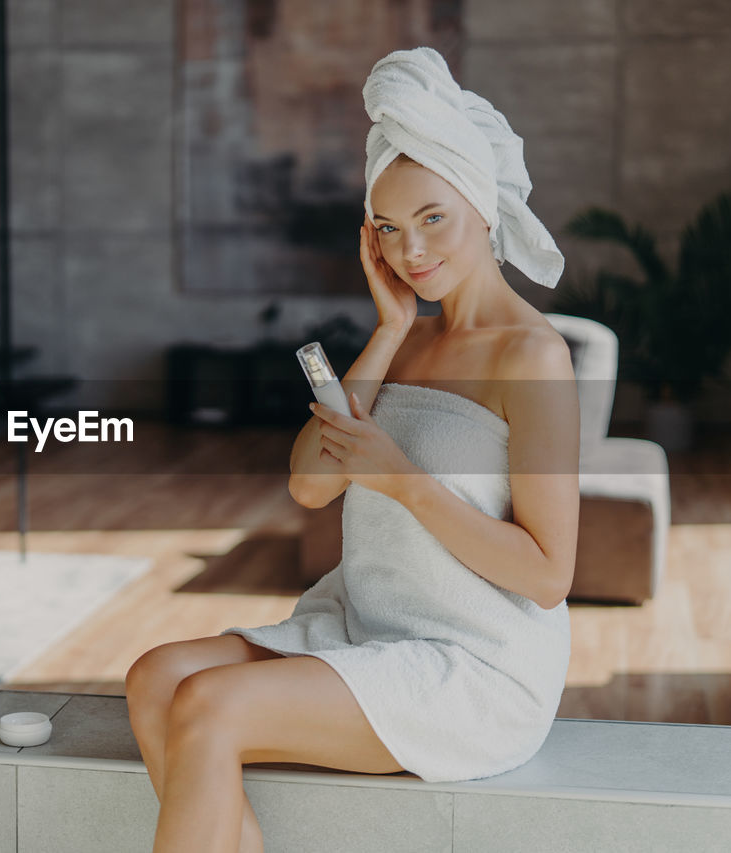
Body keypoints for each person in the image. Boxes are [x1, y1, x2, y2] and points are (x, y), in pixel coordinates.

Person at [124, 46, 580, 853]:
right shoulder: (407, 338)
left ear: (480, 202)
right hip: (366, 625)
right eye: (389, 229)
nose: (412, 252)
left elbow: (548, 574)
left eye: (432, 218)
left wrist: (401, 481)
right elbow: (308, 485)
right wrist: (388, 331)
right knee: (154, 676)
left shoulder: (532, 355)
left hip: (469, 663)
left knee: (207, 706)